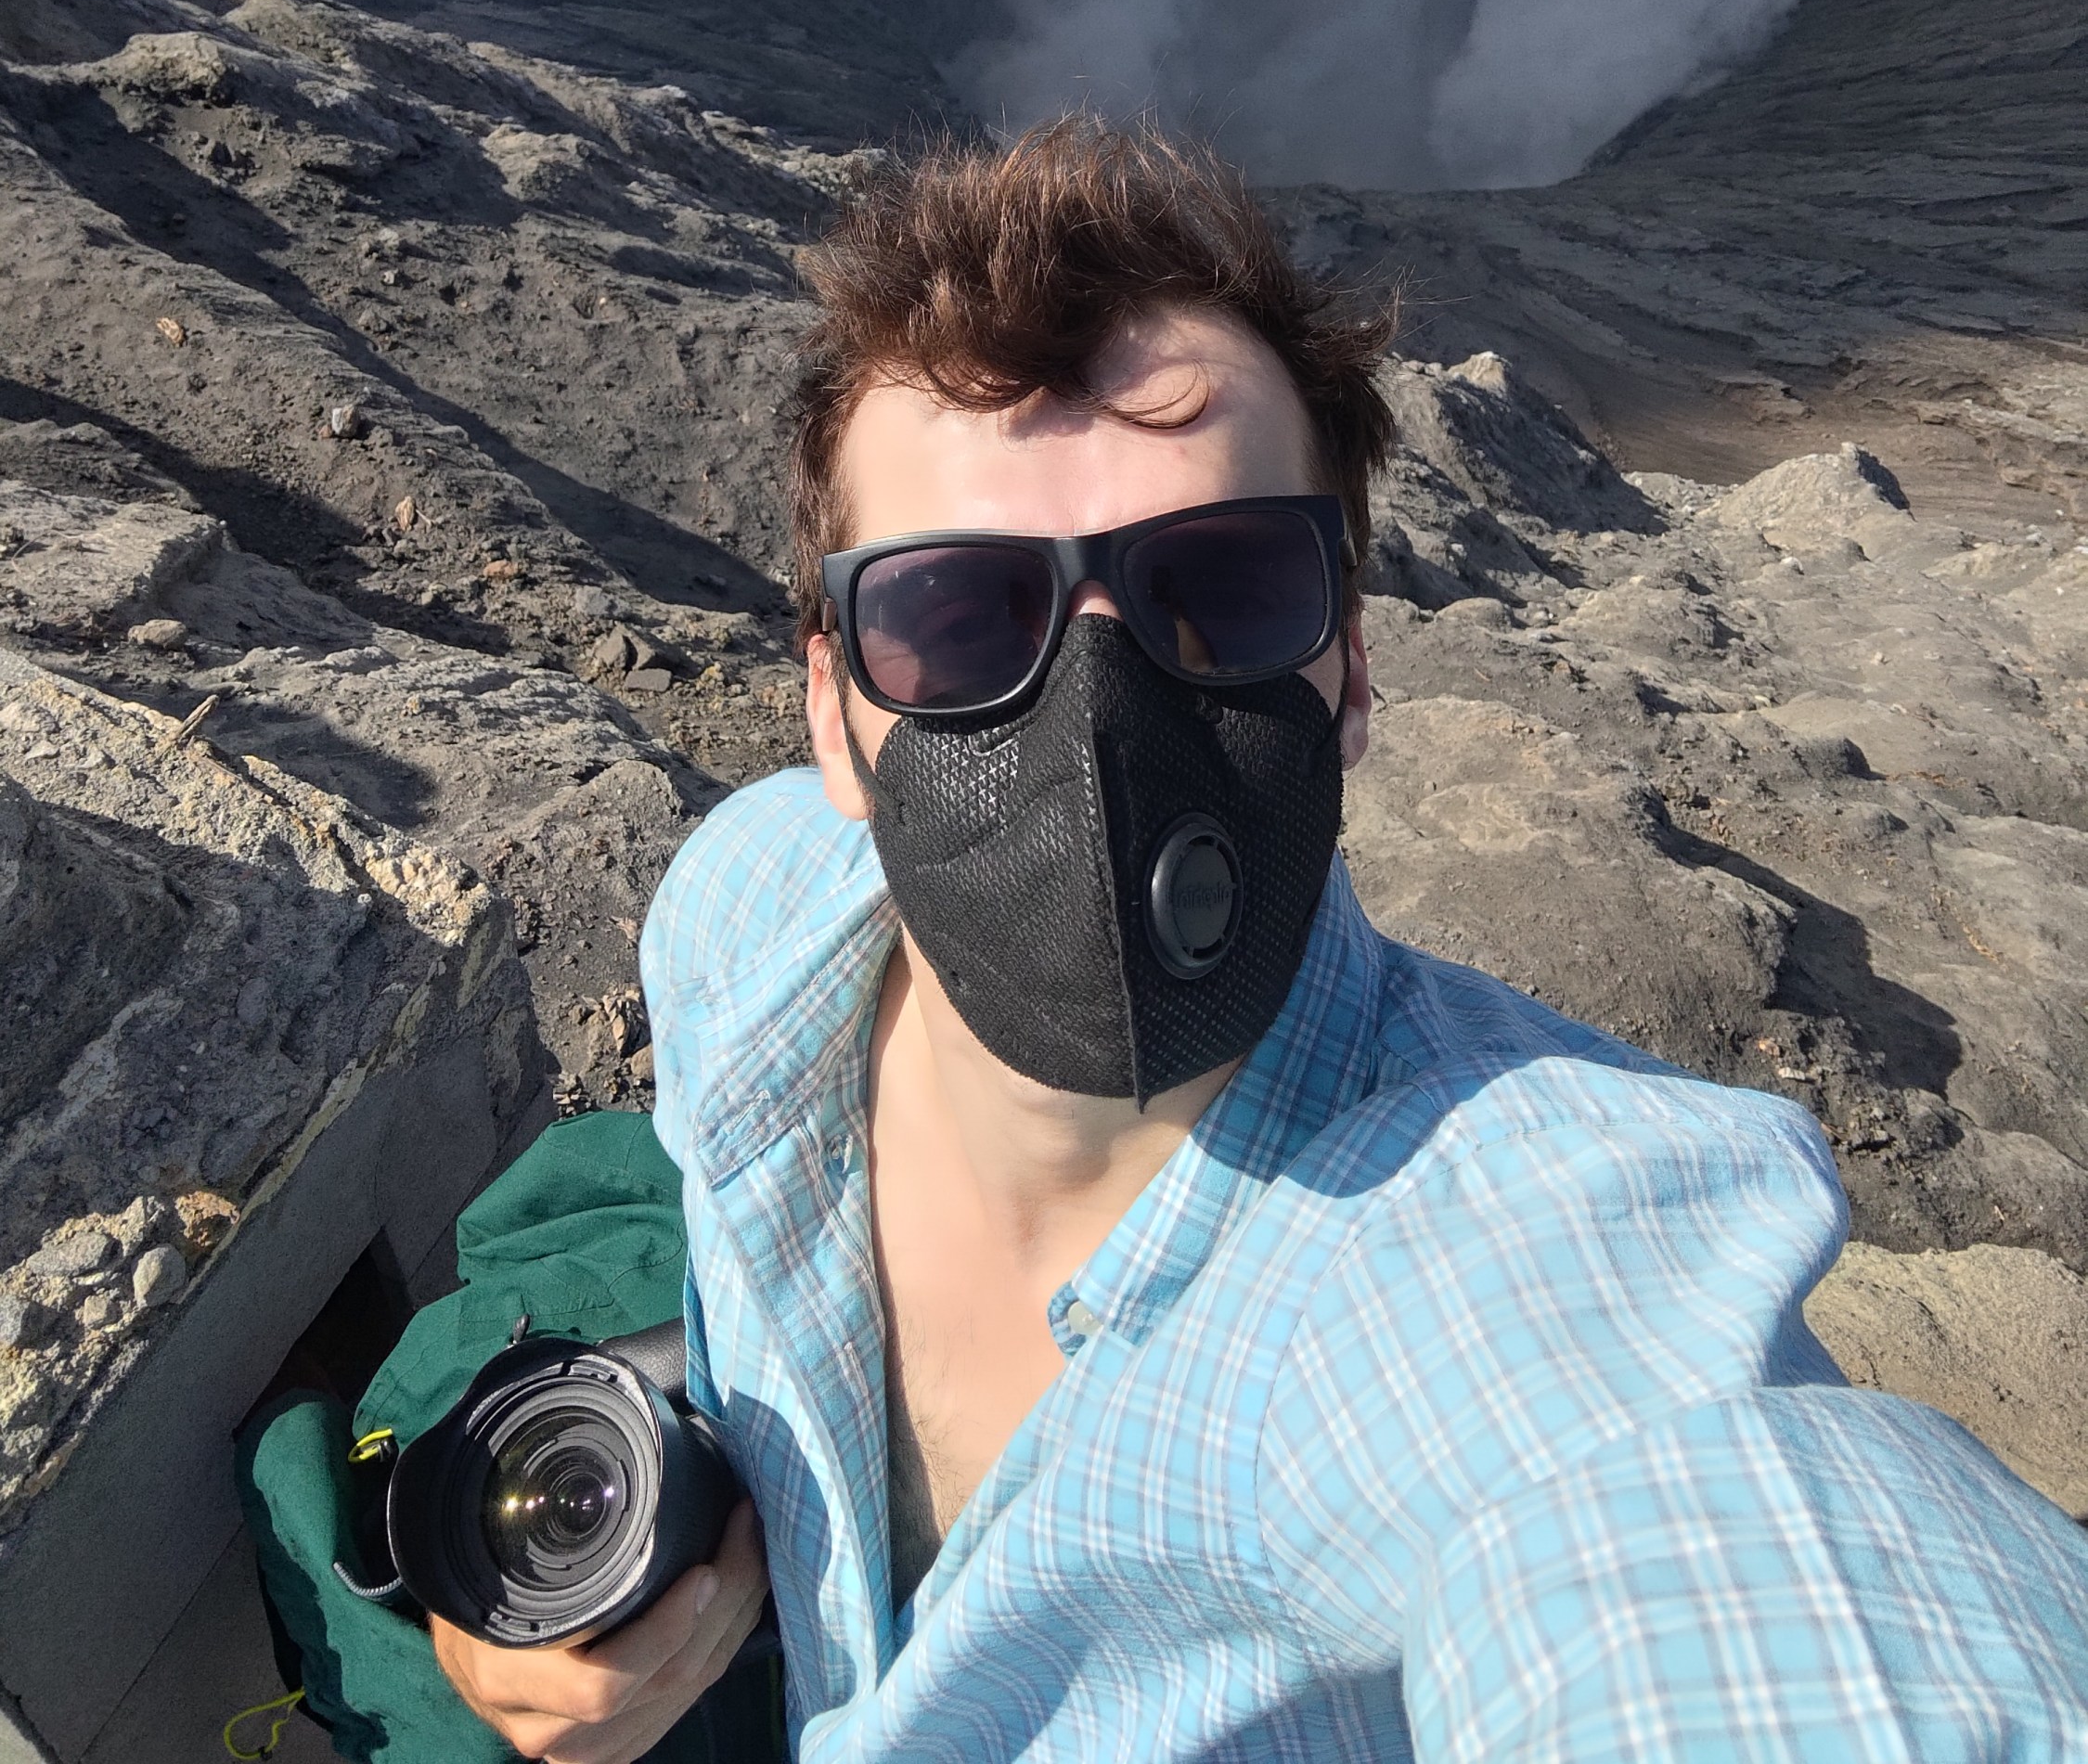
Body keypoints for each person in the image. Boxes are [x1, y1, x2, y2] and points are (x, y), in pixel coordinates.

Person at [433, 119, 2088, 1761]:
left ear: (1349, 674)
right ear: (834, 714)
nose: (1097, 706)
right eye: (958, 614)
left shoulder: (1509, 1254)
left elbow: (1707, 1528)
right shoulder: (744, 913)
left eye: (1216, 590)